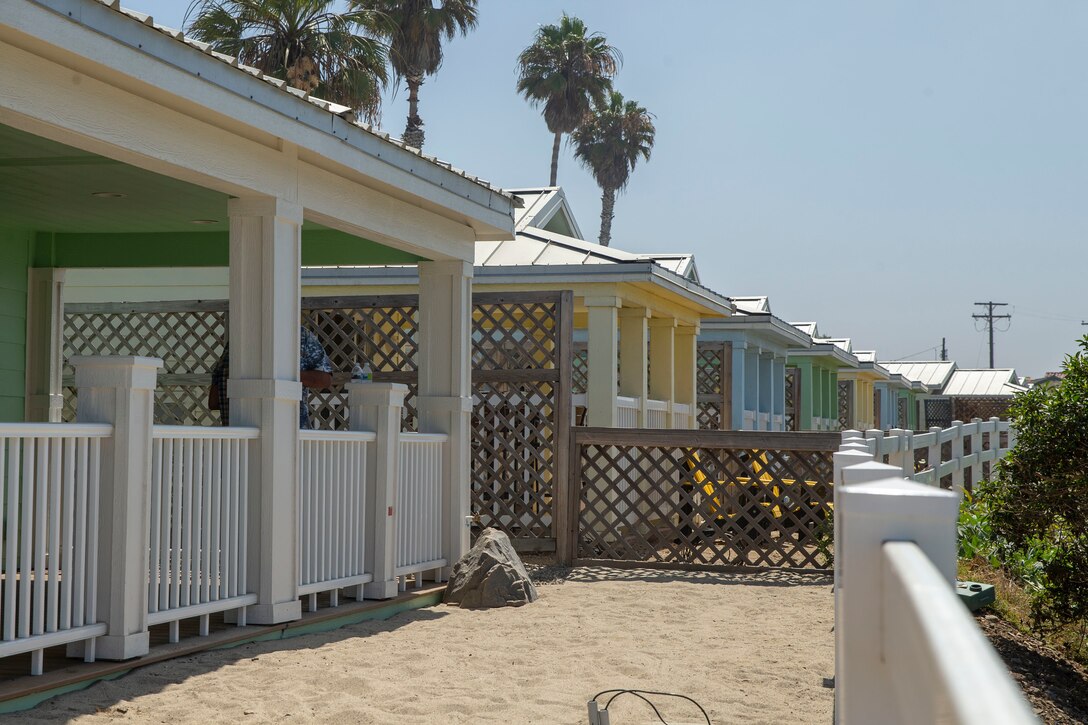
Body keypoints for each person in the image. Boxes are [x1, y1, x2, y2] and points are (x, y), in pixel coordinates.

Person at [208, 327, 333, 429]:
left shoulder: (300, 336)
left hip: (252, 436)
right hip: (247, 436)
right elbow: (214, 401)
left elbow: (325, 379)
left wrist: (278, 376)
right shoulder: (237, 339)